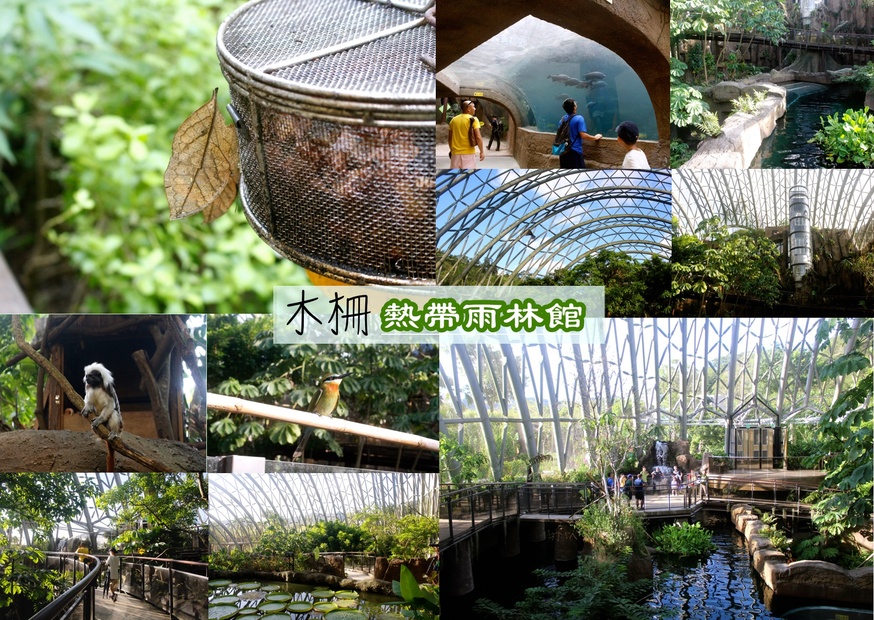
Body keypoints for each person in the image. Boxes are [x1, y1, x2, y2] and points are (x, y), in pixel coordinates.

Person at [558, 98, 601, 169]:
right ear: (574, 107)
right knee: (578, 173)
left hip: (563, 152)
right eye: (575, 104)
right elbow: (583, 135)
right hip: (574, 151)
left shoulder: (562, 120)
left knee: (566, 173)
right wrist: (595, 137)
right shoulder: (579, 118)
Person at [448, 100, 485, 169]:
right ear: (468, 109)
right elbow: (478, 137)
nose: (475, 108)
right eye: (473, 107)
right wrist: (481, 151)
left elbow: (450, 138)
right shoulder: (473, 119)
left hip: (455, 154)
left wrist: (452, 150)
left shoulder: (453, 120)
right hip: (469, 153)